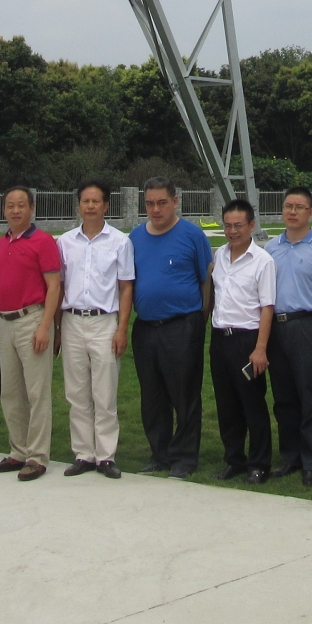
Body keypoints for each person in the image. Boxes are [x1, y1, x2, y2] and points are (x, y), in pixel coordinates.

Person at [127, 177, 212, 479]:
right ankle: (159, 454)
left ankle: (184, 457)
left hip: (183, 325)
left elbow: (207, 281)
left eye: (162, 202)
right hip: (146, 327)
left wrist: (199, 321)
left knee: (184, 394)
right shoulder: (135, 238)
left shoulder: (192, 235)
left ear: (175, 201)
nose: (155, 209)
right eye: (149, 203)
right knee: (152, 396)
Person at [264, 187, 312, 484]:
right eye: (288, 206)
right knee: (283, 396)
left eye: (299, 207)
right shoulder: (271, 248)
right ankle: (291, 456)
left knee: (310, 395)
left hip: (309, 325)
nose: (292, 211)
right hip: (277, 327)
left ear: (311, 212)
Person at [57, 179, 133, 479]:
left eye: (96, 202)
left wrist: (122, 329)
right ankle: (84, 454)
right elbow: (58, 284)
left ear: (106, 206)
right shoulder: (65, 242)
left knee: (105, 393)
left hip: (105, 322)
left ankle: (106, 456)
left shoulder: (119, 242)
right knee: (76, 393)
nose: (90, 206)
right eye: (85, 201)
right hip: (72, 321)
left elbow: (126, 288)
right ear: (79, 205)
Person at [0, 186, 63, 480]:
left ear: (32, 208)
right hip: (4, 323)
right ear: (4, 210)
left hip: (32, 320)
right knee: (10, 392)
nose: (15, 210)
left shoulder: (43, 242)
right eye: (10, 206)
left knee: (37, 392)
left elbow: (54, 287)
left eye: (21, 205)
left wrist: (45, 326)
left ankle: (37, 455)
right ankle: (17, 450)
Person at [208, 198, 274, 483]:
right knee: (226, 405)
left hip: (247, 340)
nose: (233, 231)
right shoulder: (220, 256)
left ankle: (259, 463)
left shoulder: (263, 261)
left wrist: (260, 349)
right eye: (228, 225)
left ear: (251, 225)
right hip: (220, 338)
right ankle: (234, 459)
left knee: (252, 405)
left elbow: (267, 307)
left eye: (238, 225)